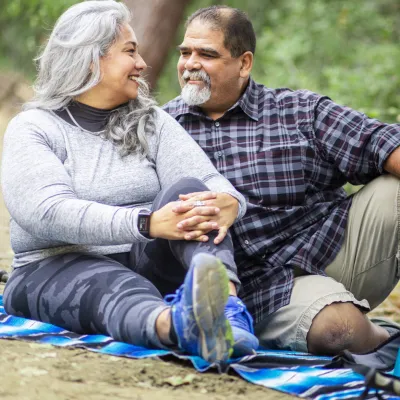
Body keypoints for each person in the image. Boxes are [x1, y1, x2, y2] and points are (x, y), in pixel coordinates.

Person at [0, 0, 259, 365]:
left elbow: (206, 181)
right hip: (54, 265)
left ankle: (228, 311)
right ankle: (182, 327)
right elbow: (45, 212)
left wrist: (230, 201)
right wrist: (147, 223)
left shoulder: (149, 120)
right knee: (117, 286)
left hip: (143, 260)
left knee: (190, 192)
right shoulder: (35, 128)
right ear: (91, 59)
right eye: (130, 51)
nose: (142, 63)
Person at [163, 5, 400, 356]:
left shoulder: (298, 111)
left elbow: (380, 142)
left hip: (335, 247)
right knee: (340, 331)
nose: (190, 64)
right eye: (185, 52)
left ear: (244, 63)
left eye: (207, 54)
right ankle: (388, 342)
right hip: (260, 291)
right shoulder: (163, 129)